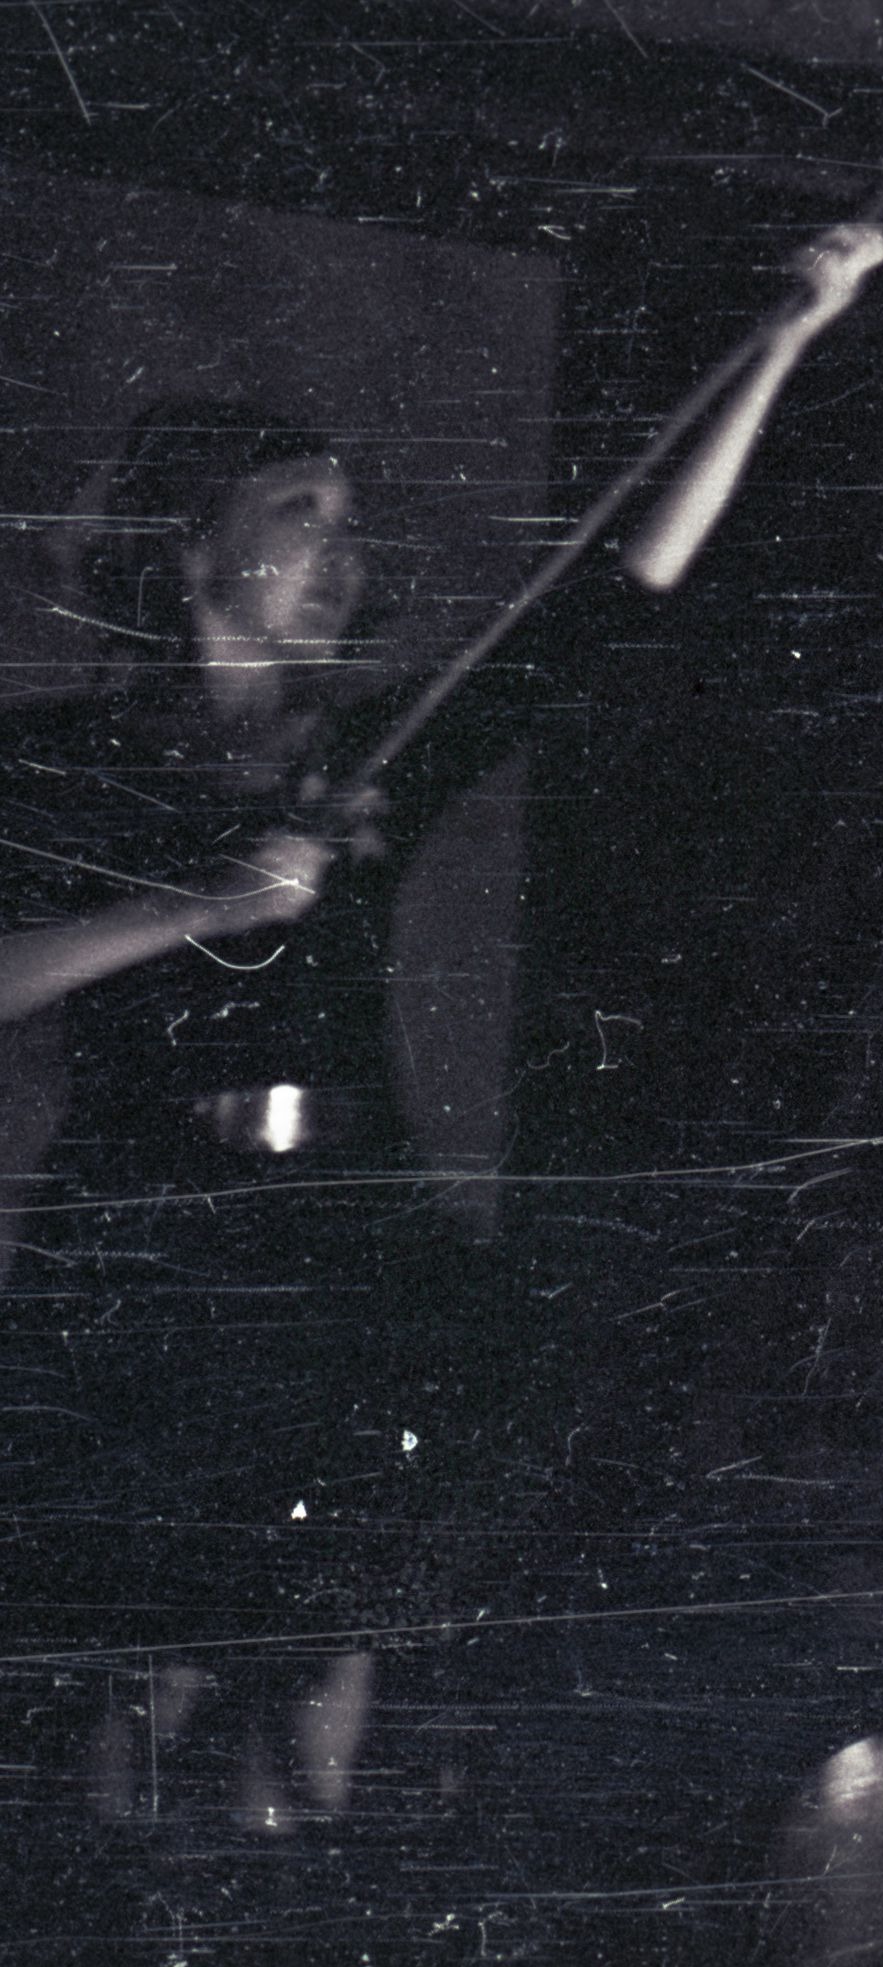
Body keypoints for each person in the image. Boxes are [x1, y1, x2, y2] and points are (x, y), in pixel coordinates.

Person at [6, 401, 488, 1835]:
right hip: (149, 1248)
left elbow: (605, 600)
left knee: (322, 1661)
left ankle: (290, 1921)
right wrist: (200, 905)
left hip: (341, 1248)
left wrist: (787, 339)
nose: (343, 556)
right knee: (138, 1674)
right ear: (192, 543)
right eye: (298, 514)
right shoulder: (56, 758)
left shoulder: (359, 757)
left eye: (353, 529)